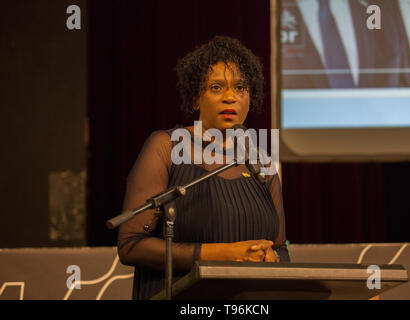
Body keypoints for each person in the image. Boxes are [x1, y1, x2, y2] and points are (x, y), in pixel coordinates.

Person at [117, 36, 290, 300]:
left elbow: (281, 249)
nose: (230, 97)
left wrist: (273, 257)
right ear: (196, 97)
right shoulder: (166, 147)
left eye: (241, 88)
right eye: (217, 87)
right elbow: (131, 246)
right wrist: (226, 254)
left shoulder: (262, 163)